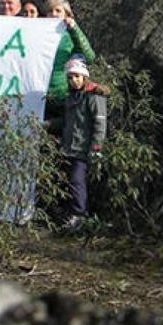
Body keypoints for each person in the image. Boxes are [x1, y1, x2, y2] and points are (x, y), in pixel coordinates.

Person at [60, 57, 107, 229]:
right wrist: (48, 124)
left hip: (83, 149)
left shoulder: (94, 96)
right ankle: (72, 214)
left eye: (77, 76)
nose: (74, 80)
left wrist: (96, 147)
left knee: (76, 180)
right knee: (70, 182)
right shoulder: (71, 97)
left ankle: (79, 215)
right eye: (71, 77)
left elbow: (100, 124)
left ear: (84, 76)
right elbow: (67, 122)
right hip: (68, 148)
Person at [44, 0, 97, 128]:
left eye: (58, 10)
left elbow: (89, 57)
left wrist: (74, 29)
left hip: (62, 94)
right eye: (50, 11)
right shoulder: (39, 35)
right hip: (39, 94)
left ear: (67, 14)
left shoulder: (70, 37)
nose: (54, 14)